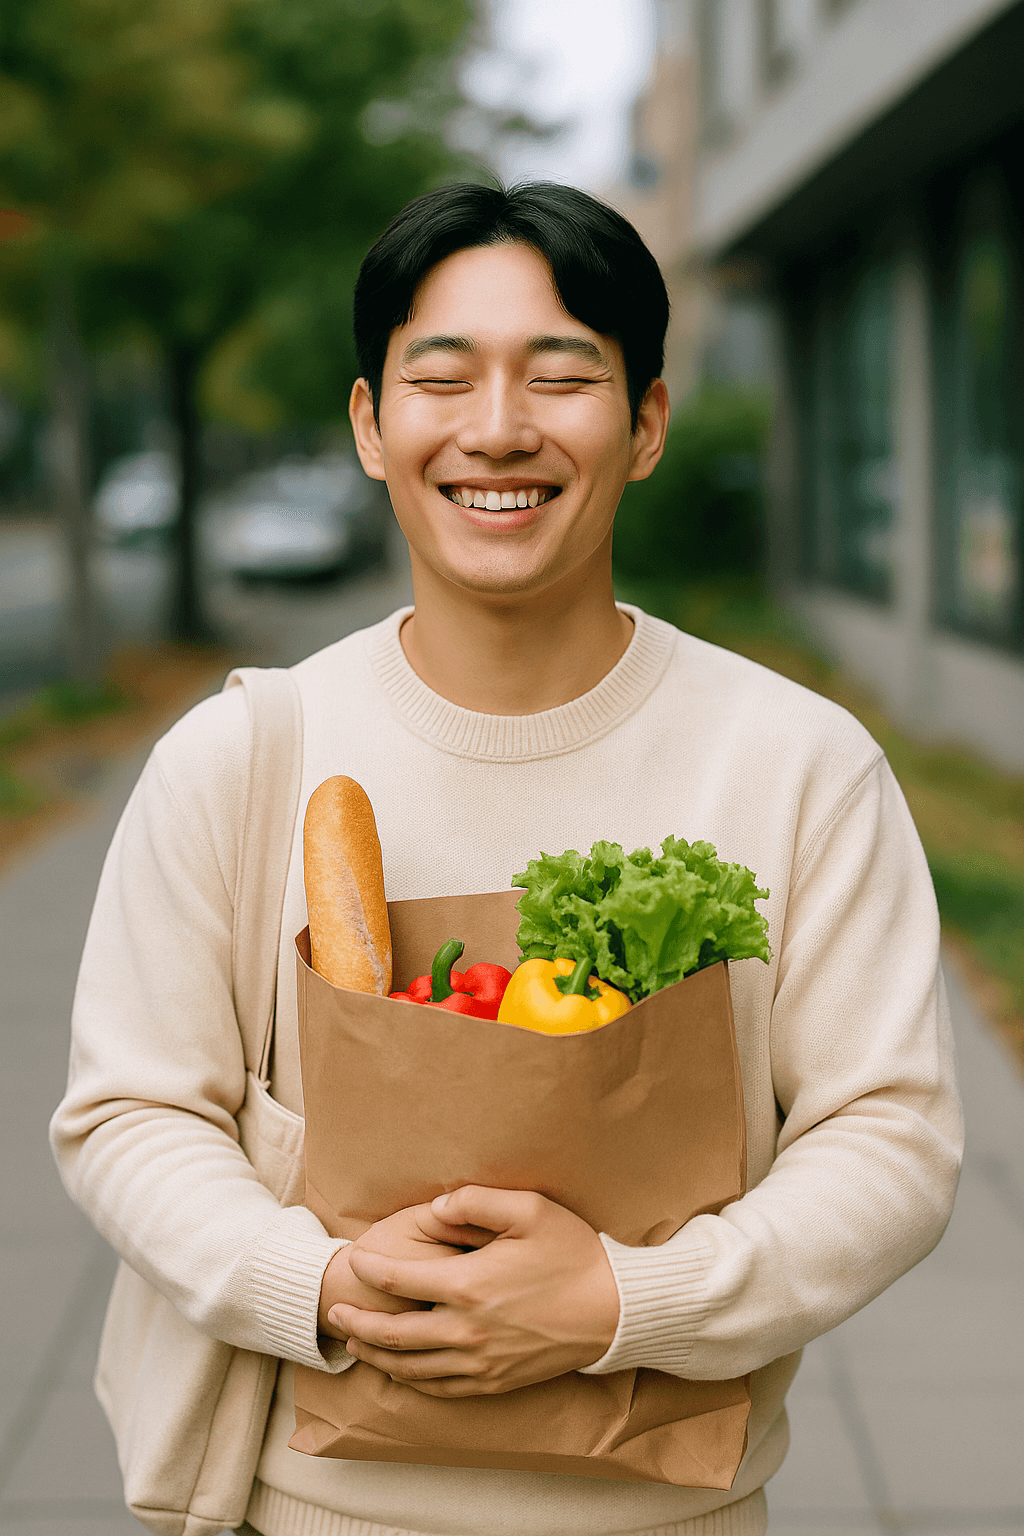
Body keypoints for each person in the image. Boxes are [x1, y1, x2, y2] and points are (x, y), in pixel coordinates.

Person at [51, 182, 962, 1536]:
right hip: (304, 1505)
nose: (497, 430)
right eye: (441, 377)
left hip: (674, 1512)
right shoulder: (243, 758)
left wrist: (618, 1302)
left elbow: (889, 1137)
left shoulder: (797, 763)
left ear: (645, 423)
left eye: (561, 376)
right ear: (370, 426)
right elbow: (129, 1113)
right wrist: (317, 1283)